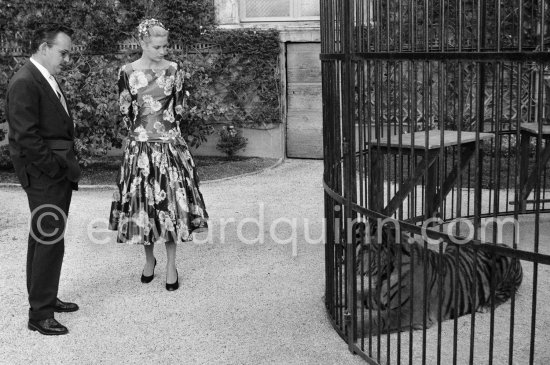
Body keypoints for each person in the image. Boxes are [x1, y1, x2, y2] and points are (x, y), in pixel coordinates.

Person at [109, 19, 208, 291]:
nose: (164, 51)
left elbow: (179, 109)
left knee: (171, 207)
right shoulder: (127, 72)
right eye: (157, 46)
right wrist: (140, 136)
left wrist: (170, 137)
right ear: (142, 43)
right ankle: (149, 260)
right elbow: (125, 110)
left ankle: (171, 265)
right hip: (139, 148)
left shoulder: (174, 70)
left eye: (166, 46)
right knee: (144, 208)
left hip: (170, 147)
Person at [6, 23, 81, 335]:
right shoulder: (25, 81)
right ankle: (40, 315)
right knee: (49, 239)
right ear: (44, 47)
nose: (66, 58)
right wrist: (53, 169)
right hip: (44, 175)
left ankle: (44, 298)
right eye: (63, 52)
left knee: (43, 238)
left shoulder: (43, 77)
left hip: (51, 172)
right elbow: (25, 135)